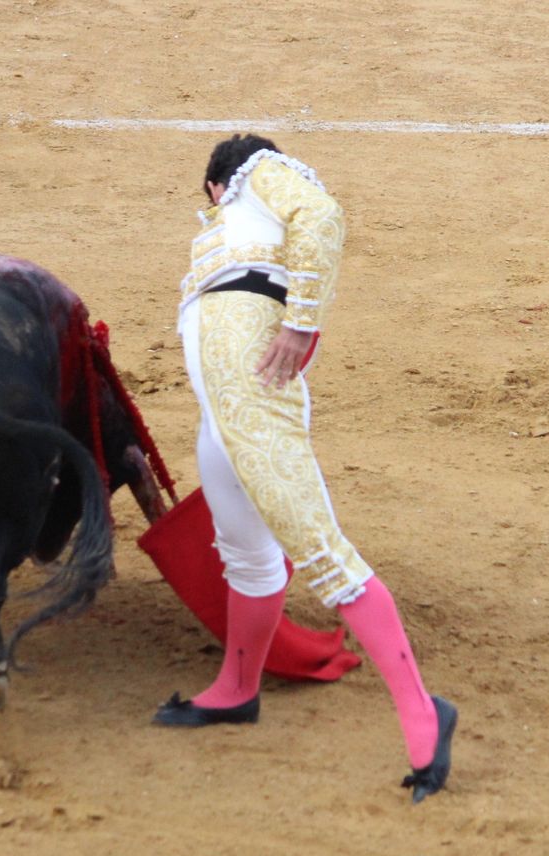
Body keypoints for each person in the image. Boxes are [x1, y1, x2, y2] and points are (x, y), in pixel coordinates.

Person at [157, 133, 457, 804]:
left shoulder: (259, 173)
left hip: (250, 384)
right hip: (223, 406)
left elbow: (321, 216)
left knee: (319, 549)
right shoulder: (232, 224)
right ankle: (237, 691)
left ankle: (421, 710)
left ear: (213, 185)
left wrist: (300, 323)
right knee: (248, 555)